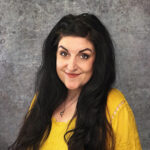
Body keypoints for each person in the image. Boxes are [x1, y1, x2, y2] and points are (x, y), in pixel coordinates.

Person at [9, 13, 142, 150]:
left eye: (84, 56)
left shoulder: (115, 106)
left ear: (98, 61)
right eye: (64, 54)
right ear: (54, 56)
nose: (71, 66)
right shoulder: (42, 99)